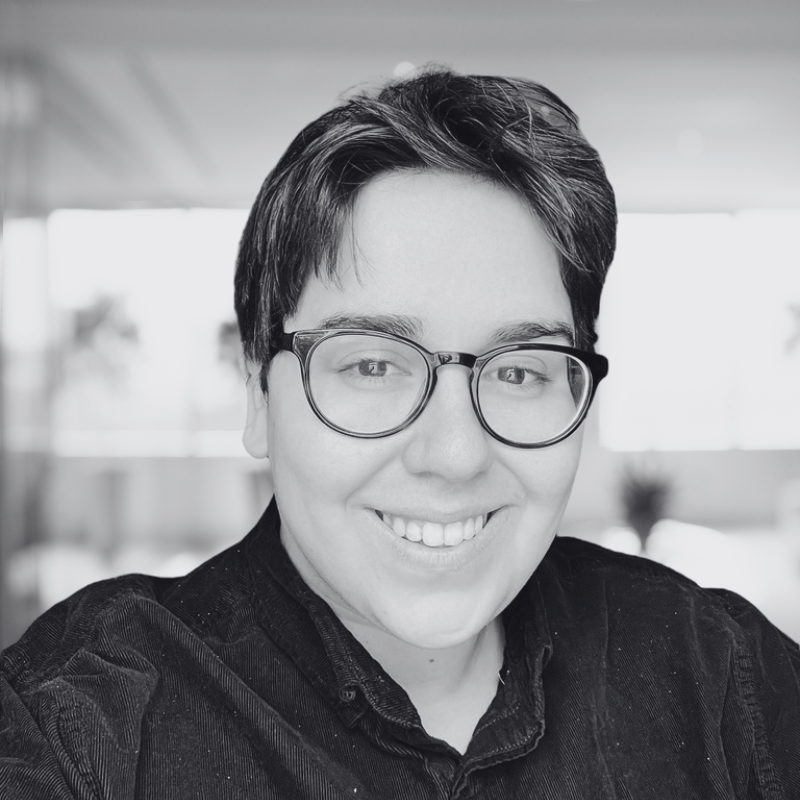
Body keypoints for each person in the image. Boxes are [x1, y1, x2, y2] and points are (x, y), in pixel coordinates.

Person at [1, 67, 798, 799]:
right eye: (374, 367)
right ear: (256, 391)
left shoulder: (722, 676)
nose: (453, 455)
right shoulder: (82, 727)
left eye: (519, 370)